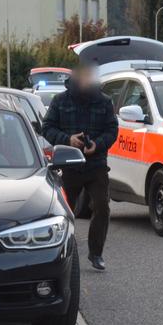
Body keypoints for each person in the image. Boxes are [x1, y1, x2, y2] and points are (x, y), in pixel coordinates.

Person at [42, 61, 119, 271]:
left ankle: (96, 254)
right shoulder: (60, 100)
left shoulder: (103, 101)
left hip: (96, 165)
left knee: (102, 207)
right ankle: (62, 251)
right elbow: (47, 127)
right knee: (64, 211)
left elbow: (112, 130)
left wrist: (98, 144)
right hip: (68, 164)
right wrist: (68, 139)